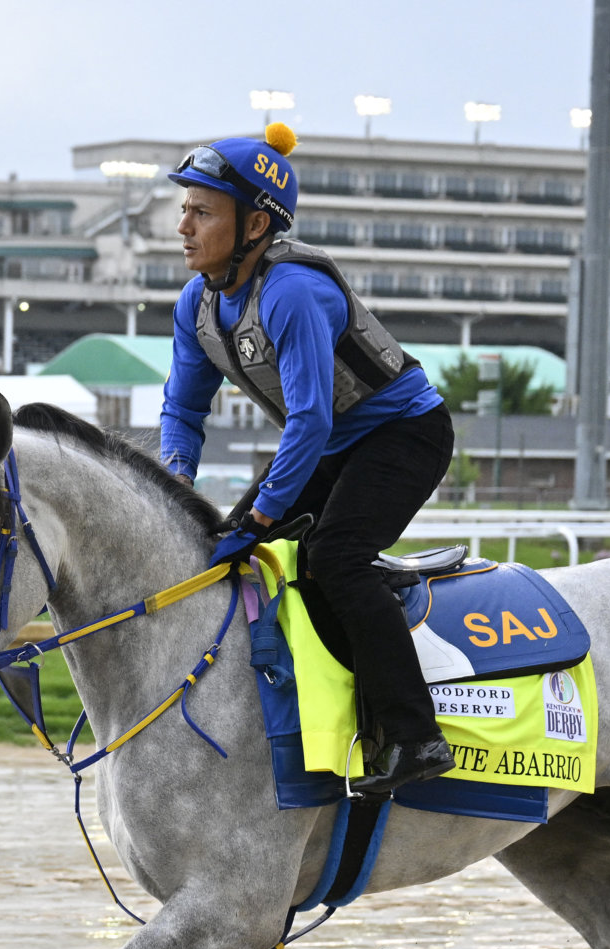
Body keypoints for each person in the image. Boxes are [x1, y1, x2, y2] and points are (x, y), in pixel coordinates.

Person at [159, 122, 456, 795]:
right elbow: (181, 410)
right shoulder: (195, 303)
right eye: (183, 209)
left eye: (202, 211)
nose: (183, 226)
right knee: (217, 554)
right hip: (331, 443)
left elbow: (313, 420)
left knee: (333, 558)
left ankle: (415, 734)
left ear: (256, 223)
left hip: (403, 435)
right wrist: (175, 483)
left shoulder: (293, 292)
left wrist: (262, 513)